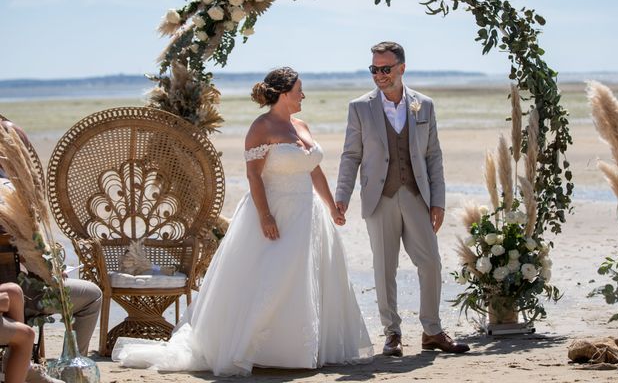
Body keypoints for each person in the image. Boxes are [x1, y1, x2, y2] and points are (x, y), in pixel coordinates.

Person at [112, 67, 373, 376]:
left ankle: (299, 348)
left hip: (309, 212)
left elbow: (314, 169)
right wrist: (265, 215)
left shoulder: (302, 125)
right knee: (274, 278)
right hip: (276, 210)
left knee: (306, 278)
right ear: (284, 93)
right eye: (299, 90)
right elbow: (254, 175)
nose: (303, 95)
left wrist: (332, 207)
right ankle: (255, 347)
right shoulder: (261, 127)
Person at [335, 41, 470, 357]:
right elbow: (351, 155)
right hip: (378, 196)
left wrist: (438, 201)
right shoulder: (359, 107)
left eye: (385, 68)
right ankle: (392, 334)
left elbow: (434, 155)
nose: (379, 75)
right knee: (384, 268)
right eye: (374, 69)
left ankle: (432, 331)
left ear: (401, 68)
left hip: (415, 195)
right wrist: (342, 196)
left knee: (431, 263)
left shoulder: (424, 105)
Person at [0, 120, 102, 356]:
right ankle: (71, 363)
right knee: (92, 296)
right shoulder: (12, 195)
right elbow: (28, 259)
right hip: (23, 296)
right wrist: (52, 270)